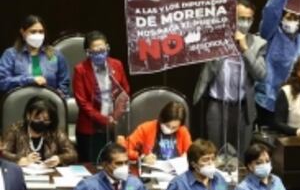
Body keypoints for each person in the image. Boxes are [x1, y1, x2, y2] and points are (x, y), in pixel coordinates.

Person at [194, 0, 267, 157]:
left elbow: (261, 75)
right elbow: (186, 28)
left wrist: (245, 49)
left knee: (241, 156)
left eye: (248, 19)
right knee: (214, 154)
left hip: (242, 109)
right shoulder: (215, 40)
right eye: (241, 18)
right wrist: (164, 2)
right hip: (217, 105)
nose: (244, 23)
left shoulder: (258, 44)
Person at [72, 31, 131, 163]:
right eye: (95, 51)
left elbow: (125, 91)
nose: (100, 54)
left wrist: (115, 116)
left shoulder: (117, 64)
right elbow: (82, 102)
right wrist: (104, 120)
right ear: (88, 52)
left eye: (102, 50)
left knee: (112, 163)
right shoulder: (80, 70)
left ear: (107, 48)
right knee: (92, 166)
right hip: (89, 129)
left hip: (113, 127)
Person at [63, 142, 158, 190]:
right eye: (119, 163)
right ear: (105, 165)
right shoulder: (89, 185)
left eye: (126, 163)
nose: (124, 167)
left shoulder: (134, 183)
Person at [0, 15, 71, 96]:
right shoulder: (11, 54)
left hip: (49, 100)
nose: (38, 35)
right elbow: (2, 82)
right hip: (20, 99)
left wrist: (58, 96)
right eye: (33, 32)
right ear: (23, 32)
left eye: (41, 32)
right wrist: (29, 80)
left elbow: (64, 82)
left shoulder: (55, 54)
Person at [1, 95, 77, 167]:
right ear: (28, 115)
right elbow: (3, 153)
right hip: (22, 173)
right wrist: (20, 159)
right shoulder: (16, 129)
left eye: (46, 120)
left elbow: (73, 154)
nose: (41, 122)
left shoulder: (55, 131)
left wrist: (59, 159)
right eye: (37, 118)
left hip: (50, 173)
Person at [124, 101, 192, 164]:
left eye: (174, 127)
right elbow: (124, 149)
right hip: (152, 169)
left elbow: (191, 153)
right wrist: (142, 157)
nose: (170, 129)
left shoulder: (183, 131)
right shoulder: (146, 128)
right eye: (167, 125)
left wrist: (187, 157)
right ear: (161, 119)